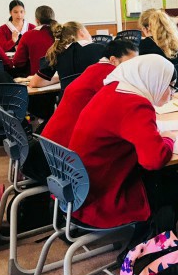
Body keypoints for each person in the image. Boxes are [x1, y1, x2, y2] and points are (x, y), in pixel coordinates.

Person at [68, 54, 178, 230]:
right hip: (103, 196)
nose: (172, 93)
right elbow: (154, 160)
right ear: (155, 80)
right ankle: (149, 237)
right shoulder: (136, 104)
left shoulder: (113, 88)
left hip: (81, 187)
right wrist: (168, 138)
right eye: (171, 86)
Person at [22, 39, 138, 184]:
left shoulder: (93, 69)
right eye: (131, 63)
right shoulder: (110, 76)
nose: (135, 69)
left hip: (48, 150)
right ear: (113, 60)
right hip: (63, 162)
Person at [29, 21, 105, 88]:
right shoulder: (101, 49)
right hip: (95, 98)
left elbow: (35, 83)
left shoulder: (56, 52)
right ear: (81, 32)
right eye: (88, 33)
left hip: (67, 99)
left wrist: (61, 78)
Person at [12, 5, 57, 75]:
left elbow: (18, 62)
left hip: (38, 77)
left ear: (36, 20)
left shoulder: (28, 35)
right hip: (63, 77)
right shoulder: (61, 33)